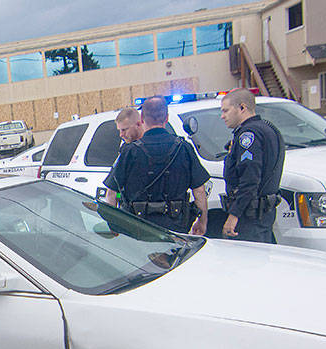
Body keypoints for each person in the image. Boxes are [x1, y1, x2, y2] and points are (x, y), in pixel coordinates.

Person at [103, 98, 209, 234]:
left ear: (141, 118)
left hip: (138, 228)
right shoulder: (183, 148)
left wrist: (113, 226)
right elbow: (199, 190)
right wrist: (202, 221)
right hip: (176, 228)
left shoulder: (129, 151)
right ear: (167, 118)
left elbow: (111, 192)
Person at [219, 88, 285, 242]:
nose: (222, 116)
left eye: (226, 111)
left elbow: (250, 179)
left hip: (250, 217)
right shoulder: (267, 129)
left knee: (248, 262)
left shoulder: (248, 136)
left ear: (242, 108)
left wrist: (234, 215)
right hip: (262, 214)